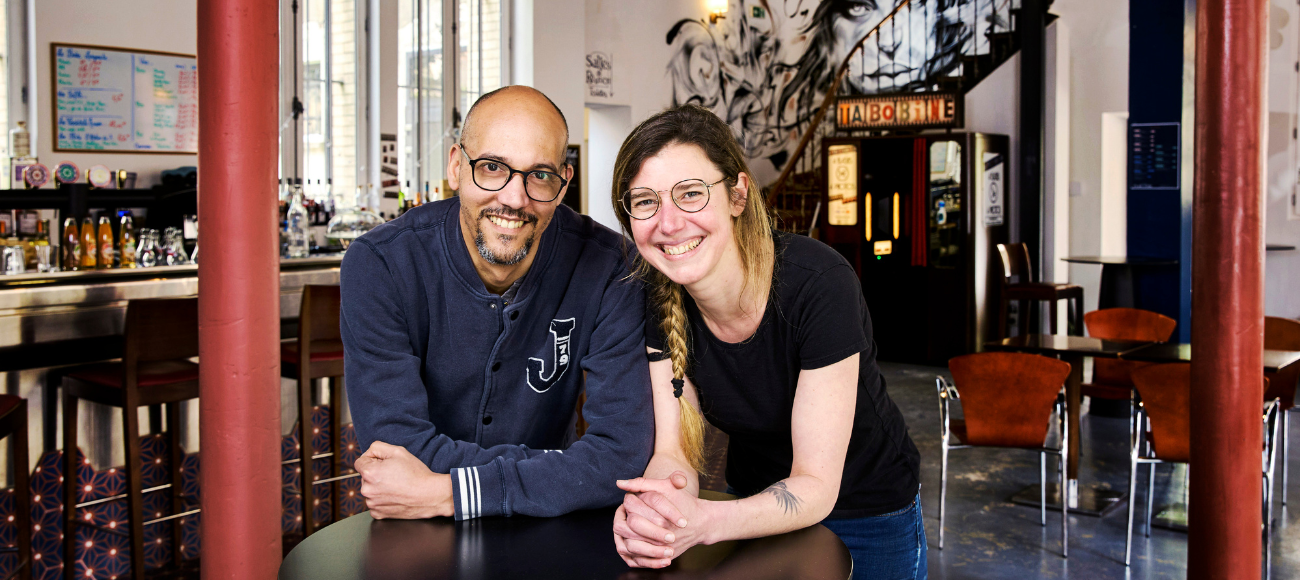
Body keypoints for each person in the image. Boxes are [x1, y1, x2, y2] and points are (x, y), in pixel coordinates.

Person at [608, 104, 925, 579]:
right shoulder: (659, 297)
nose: (668, 223)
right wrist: (655, 514)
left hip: (868, 511)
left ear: (737, 194)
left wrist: (704, 522)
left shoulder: (818, 283)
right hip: (753, 507)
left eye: (690, 194)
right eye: (646, 201)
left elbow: (815, 486)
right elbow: (673, 452)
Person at [340, 85, 654, 521]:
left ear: (563, 184)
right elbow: (394, 451)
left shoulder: (612, 269)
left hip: (540, 530)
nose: (513, 198)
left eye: (539, 175)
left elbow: (621, 456)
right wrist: (558, 471)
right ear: (455, 166)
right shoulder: (381, 265)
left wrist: (448, 492)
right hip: (420, 529)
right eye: (491, 168)